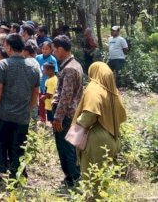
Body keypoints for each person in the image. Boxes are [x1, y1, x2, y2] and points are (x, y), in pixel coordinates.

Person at [0, 33, 40, 179]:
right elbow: (35, 91)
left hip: (4, 113)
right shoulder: (33, 68)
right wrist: (29, 108)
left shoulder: (3, 65)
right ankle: (17, 175)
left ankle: (3, 172)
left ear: (9, 47)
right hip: (22, 115)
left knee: (2, 144)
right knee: (18, 147)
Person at [73, 62, 127, 178]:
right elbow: (122, 115)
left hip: (96, 139)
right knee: (104, 178)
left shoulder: (94, 89)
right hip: (113, 138)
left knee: (90, 179)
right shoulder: (113, 92)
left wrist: (76, 125)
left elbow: (89, 115)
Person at [51, 34, 84, 188]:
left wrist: (58, 117)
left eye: (55, 50)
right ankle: (72, 178)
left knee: (66, 148)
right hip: (71, 113)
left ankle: (74, 179)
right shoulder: (74, 64)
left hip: (65, 115)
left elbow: (66, 95)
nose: (53, 53)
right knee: (68, 147)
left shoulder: (70, 69)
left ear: (62, 49)